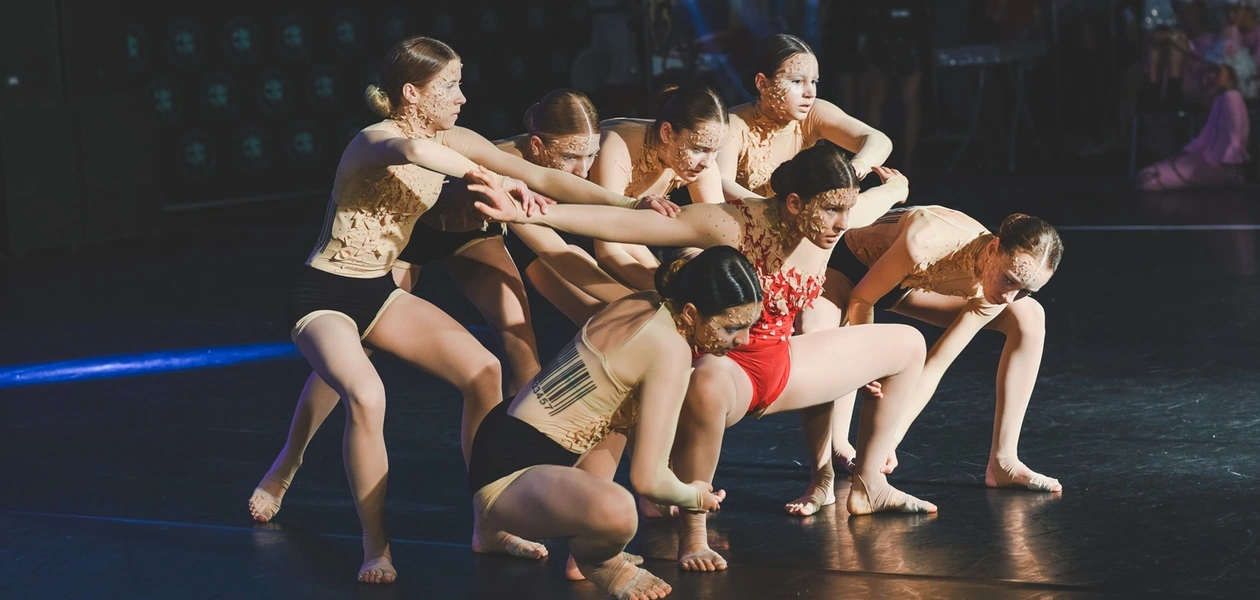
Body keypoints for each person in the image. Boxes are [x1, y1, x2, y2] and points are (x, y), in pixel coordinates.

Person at [249, 37, 667, 583]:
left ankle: (487, 523)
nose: (463, 97)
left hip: (379, 290)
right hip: (324, 293)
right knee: (364, 391)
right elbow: (418, 154)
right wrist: (495, 177)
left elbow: (546, 179)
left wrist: (628, 202)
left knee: (484, 371)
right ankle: (373, 544)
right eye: (449, 86)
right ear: (411, 93)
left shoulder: (458, 137)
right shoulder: (375, 139)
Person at [472, 140, 938, 574]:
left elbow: (870, 204)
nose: (842, 224)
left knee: (907, 344)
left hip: (784, 359)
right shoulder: (731, 224)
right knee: (709, 380)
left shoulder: (833, 223)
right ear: (795, 204)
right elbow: (630, 225)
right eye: (833, 210)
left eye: (847, 210)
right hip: (725, 365)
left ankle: (869, 485)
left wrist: (896, 186)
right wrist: (530, 214)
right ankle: (692, 533)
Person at [468, 246, 756, 600]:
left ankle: (585, 554)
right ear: (692, 312)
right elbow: (649, 479)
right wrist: (695, 495)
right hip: (510, 477)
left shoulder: (647, 301)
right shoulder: (670, 348)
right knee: (619, 512)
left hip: (504, 431)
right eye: (732, 327)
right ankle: (602, 564)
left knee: (623, 410)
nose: (743, 341)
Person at [815, 206, 1066, 496]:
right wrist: (865, 362)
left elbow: (936, 364)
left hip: (905, 284)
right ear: (995, 247)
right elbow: (861, 298)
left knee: (1029, 317)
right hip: (848, 265)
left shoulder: (1000, 284)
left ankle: (1003, 461)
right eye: (1009, 279)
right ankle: (833, 451)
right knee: (829, 331)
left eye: (1024, 290)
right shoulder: (926, 239)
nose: (1010, 296)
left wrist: (890, 440)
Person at [588, 84, 730, 292]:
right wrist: (671, 294)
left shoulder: (702, 158)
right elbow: (607, 249)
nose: (708, 162)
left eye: (716, 150)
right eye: (699, 150)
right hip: (563, 223)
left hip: (624, 234)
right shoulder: (617, 148)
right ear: (667, 133)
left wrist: (694, 259)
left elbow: (719, 235)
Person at [718, 33, 891, 201]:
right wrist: (777, 211)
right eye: (797, 81)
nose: (811, 93)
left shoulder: (812, 114)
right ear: (763, 83)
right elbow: (721, 184)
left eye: (814, 81)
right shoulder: (734, 124)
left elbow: (878, 139)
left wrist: (855, 168)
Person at [1135, 63, 1251, 190]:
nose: (1214, 76)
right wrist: (1190, 152)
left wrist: (1231, 164)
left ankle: (1226, 172)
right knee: (1154, 172)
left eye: (1219, 73)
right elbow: (1207, 132)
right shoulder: (1220, 99)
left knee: (1152, 179)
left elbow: (1235, 135)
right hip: (1210, 157)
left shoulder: (1232, 96)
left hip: (1219, 163)